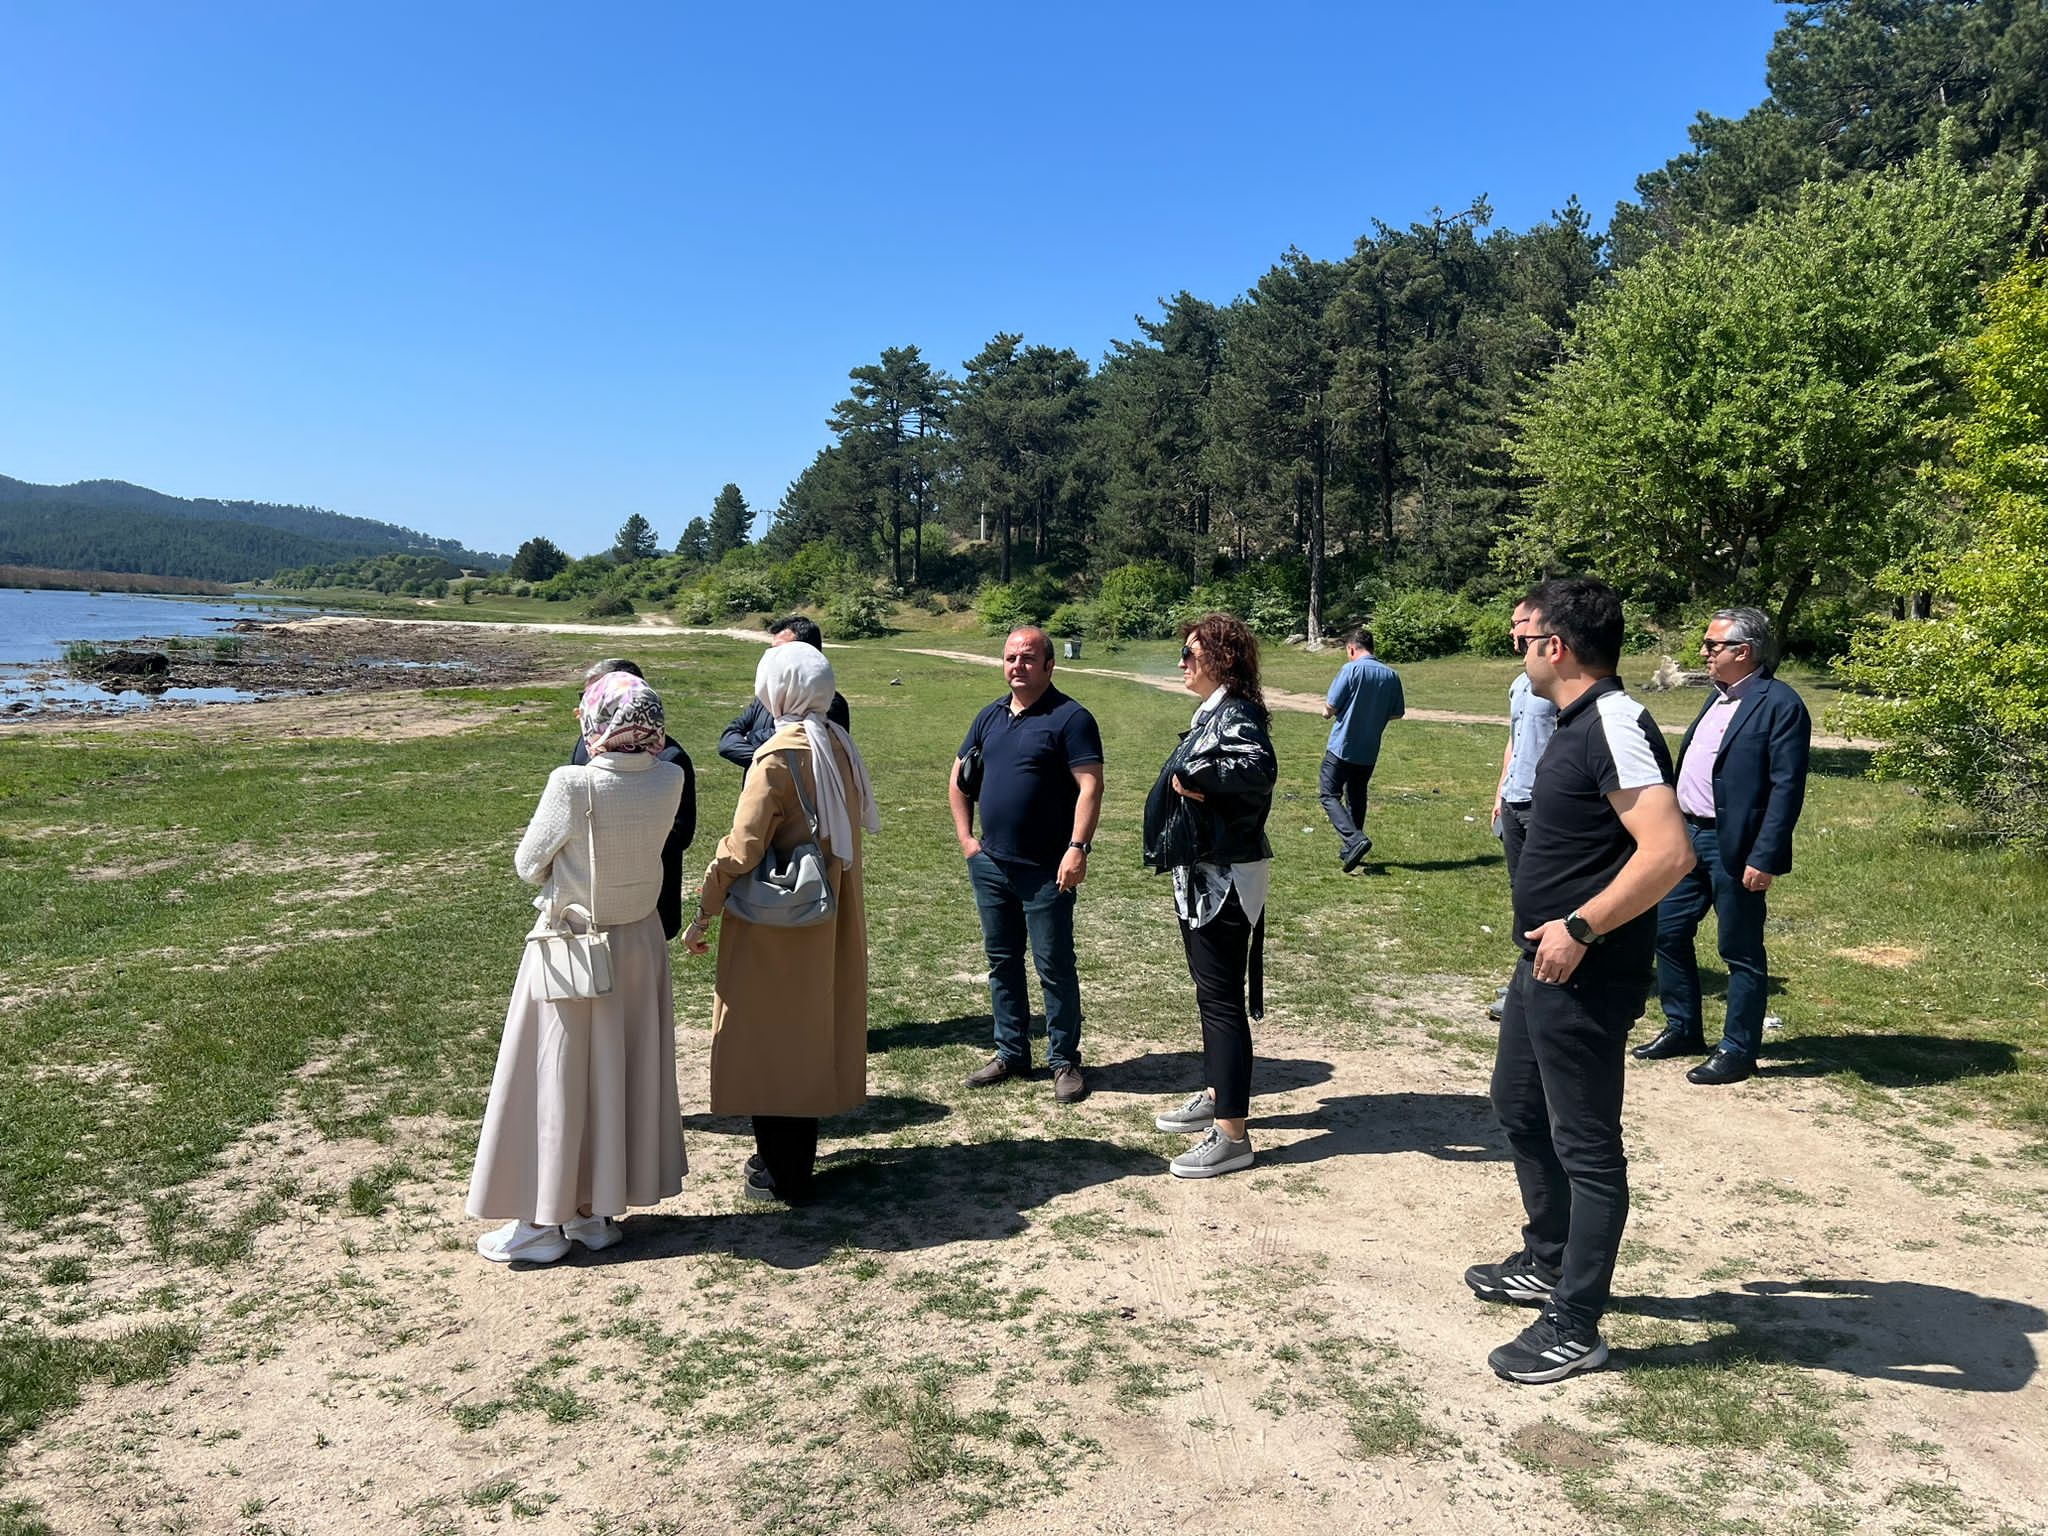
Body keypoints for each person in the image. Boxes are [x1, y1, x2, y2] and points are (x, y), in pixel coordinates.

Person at [1467, 577, 1693, 1382]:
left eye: (1527, 639)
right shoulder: (1569, 721)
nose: (1521, 650)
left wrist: (1582, 926)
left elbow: (1669, 852)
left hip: (1586, 967)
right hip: (1543, 961)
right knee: (1517, 1106)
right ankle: (1548, 1257)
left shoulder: (1615, 721)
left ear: (1555, 647)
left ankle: (1577, 1321)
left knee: (1587, 1146)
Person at [467, 671, 689, 1263]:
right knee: (618, 1072)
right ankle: (595, 1212)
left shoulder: (572, 783)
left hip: (573, 942)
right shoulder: (671, 776)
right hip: (639, 943)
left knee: (555, 1074)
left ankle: (541, 1225)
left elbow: (527, 862)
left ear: (597, 721)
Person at [684, 643, 877, 1202]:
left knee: (767, 1042)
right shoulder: (837, 742)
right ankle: (795, 1163)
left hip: (778, 923)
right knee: (807, 1035)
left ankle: (782, 1172)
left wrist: (706, 905)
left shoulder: (777, 755)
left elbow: (742, 848)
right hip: (828, 914)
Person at [1637, 607, 1812, 1086]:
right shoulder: (1717, 700)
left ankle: (1738, 1050)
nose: (1704, 653)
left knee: (1740, 950)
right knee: (1666, 931)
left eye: (1713, 645)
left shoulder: (1780, 703)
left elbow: (1786, 787)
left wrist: (1766, 855)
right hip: (1687, 837)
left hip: (1736, 845)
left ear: (1744, 651)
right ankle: (1684, 1027)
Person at [1143, 614, 1278, 1179]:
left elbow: (1258, 767)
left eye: (1191, 654)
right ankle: (1219, 1093)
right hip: (1205, 874)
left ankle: (1231, 1134)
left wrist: (1197, 771)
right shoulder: (1221, 711)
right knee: (1211, 995)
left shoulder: (1237, 713)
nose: (1182, 663)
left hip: (1223, 879)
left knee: (1221, 1002)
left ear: (1223, 659)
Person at [949, 626, 1104, 1103]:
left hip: (1046, 869)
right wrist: (967, 840)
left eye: (1028, 658)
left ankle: (1064, 1061)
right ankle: (1011, 1052)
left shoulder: (1071, 718)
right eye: (1011, 657)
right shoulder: (990, 716)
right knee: (1002, 962)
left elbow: (1090, 787)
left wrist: (1077, 847)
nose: (1018, 665)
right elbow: (959, 778)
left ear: (1049, 665)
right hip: (991, 865)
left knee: (1054, 964)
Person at [570, 658, 696, 940]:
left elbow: (681, 833)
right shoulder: (584, 745)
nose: (582, 710)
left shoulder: (671, 761)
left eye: (595, 699)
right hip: (590, 897)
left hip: (649, 901)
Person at [1487, 604, 1559, 1019]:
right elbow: (1514, 740)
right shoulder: (1521, 682)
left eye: (1519, 624)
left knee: (1544, 893)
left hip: (1544, 804)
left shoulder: (1559, 684)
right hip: (1515, 801)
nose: (1513, 631)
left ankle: (1534, 980)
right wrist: (1500, 792)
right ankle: (1526, 971)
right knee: (1523, 893)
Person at [718, 616, 851, 774]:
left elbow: (805, 748)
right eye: (772, 649)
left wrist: (752, 737)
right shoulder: (764, 699)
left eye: (781, 650)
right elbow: (727, 743)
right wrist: (766, 759)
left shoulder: (828, 703)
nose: (773, 657)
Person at [1319, 628, 1404, 871]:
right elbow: (1397, 712)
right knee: (1356, 795)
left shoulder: (1351, 669)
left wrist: (1327, 711)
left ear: (1352, 649)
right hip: (1368, 748)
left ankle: (1354, 839)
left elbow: (1330, 707)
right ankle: (1352, 849)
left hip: (1342, 745)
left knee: (1328, 793)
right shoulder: (1391, 675)